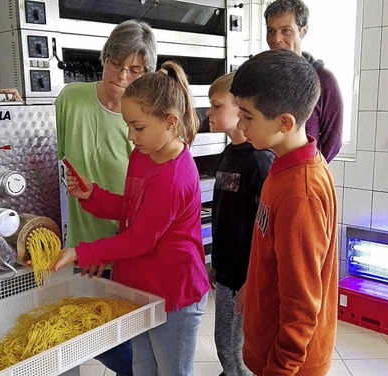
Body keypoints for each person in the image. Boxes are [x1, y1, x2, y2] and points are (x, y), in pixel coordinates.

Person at [52, 60, 210, 376]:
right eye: (127, 125)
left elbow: (139, 239)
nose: (130, 135)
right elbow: (132, 209)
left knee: (172, 371)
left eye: (137, 127)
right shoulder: (143, 154)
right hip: (141, 287)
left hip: (174, 294)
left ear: (170, 121)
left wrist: (81, 252)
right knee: (142, 368)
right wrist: (93, 196)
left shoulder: (173, 176)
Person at [54, 19, 158, 375]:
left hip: (125, 248)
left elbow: (142, 204)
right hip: (80, 244)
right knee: (81, 331)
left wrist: (109, 249)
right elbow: (40, 146)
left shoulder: (144, 121)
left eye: (134, 69)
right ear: (104, 58)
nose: (122, 75)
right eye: (116, 63)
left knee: (122, 341)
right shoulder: (71, 98)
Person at [230, 49, 338, 375]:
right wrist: (252, 286)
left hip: (291, 365)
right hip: (270, 343)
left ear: (284, 122)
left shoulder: (299, 195)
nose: (239, 124)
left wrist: (280, 369)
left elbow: (302, 306)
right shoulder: (283, 168)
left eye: (247, 116)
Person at [206, 72, 273, 376]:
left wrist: (253, 279)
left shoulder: (259, 160)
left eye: (217, 105)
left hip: (247, 278)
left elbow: (267, 229)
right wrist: (215, 262)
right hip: (226, 273)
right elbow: (224, 216)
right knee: (223, 343)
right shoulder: (227, 156)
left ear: (240, 109)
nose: (209, 112)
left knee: (239, 350)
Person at [265, 0, 343, 162]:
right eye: (271, 31)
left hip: (302, 175)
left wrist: (308, 166)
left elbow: (333, 141)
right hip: (263, 177)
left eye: (286, 31)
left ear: (303, 31)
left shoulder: (324, 80)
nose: (276, 38)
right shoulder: (262, 78)